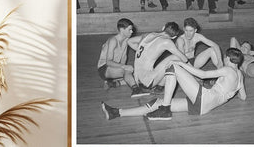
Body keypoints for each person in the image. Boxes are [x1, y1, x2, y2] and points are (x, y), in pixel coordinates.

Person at [101, 47, 246, 121]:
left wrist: (180, 63)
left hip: (205, 99)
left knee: (173, 67)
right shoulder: (240, 76)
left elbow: (202, 74)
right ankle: (116, 113)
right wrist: (226, 94)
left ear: (227, 58)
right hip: (206, 107)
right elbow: (243, 97)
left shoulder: (227, 69)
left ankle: (165, 109)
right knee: (156, 102)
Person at [127, 22, 188, 95]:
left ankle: (155, 86)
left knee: (167, 60)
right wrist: (180, 46)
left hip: (137, 79)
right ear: (174, 37)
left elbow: (129, 41)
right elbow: (185, 59)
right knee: (175, 58)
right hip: (147, 83)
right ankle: (159, 88)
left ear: (163, 27)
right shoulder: (167, 42)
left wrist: (143, 53)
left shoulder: (148, 35)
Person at [97, 18, 148, 97]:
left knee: (138, 73)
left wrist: (124, 69)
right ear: (122, 30)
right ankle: (136, 90)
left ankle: (113, 83)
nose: (132, 31)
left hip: (114, 67)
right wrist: (124, 67)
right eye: (129, 30)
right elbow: (108, 62)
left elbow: (124, 57)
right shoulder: (113, 41)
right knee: (128, 70)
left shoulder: (126, 40)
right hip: (104, 68)